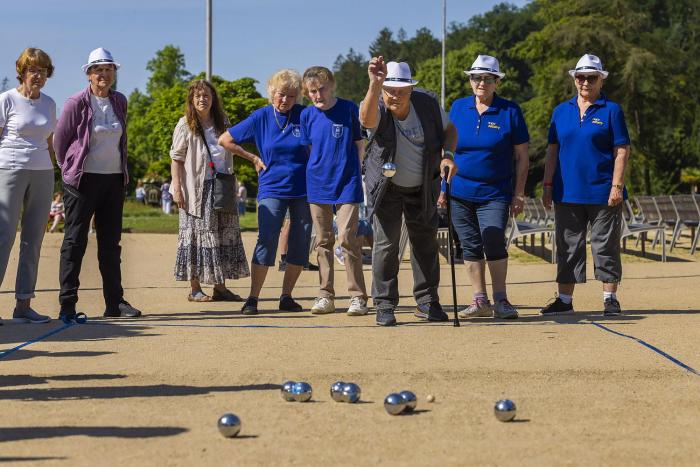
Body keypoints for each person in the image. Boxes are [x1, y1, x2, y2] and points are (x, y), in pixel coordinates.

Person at [359, 58, 457, 326]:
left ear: (412, 90)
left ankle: (427, 301)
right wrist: (374, 84)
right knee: (387, 245)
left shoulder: (428, 105)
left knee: (425, 243)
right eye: (390, 90)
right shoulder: (376, 102)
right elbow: (366, 121)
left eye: (401, 91)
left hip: (423, 184)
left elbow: (450, 130)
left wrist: (447, 155)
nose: (395, 96)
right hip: (387, 187)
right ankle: (384, 304)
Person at [54, 47, 142, 321]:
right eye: (98, 70)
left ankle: (114, 303)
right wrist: (68, 169)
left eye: (108, 69)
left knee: (110, 244)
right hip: (82, 181)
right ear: (89, 74)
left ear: (114, 73)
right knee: (75, 242)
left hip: (113, 179)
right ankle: (67, 304)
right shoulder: (76, 103)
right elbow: (60, 141)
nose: (104, 74)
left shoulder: (120, 101)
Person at [541, 54, 630, 316]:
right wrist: (547, 185)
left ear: (601, 80)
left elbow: (622, 150)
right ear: (574, 79)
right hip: (566, 192)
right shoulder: (561, 111)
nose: (585, 82)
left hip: (603, 191)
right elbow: (552, 152)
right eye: (580, 77)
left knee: (605, 245)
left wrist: (616, 186)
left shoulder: (612, 110)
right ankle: (565, 300)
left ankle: (609, 298)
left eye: (591, 77)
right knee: (568, 246)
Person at [219, 69, 311, 315]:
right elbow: (225, 139)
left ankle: (286, 296)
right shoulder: (260, 117)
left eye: (291, 96)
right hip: (272, 187)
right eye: (282, 94)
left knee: (301, 241)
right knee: (267, 239)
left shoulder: (304, 115)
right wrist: (252, 157)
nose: (285, 100)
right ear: (272, 93)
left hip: (303, 189)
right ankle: (253, 298)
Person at [447, 55, 529, 320]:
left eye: (487, 78)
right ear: (470, 81)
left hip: (495, 193)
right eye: (476, 77)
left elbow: (522, 157)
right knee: (469, 244)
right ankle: (479, 300)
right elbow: (446, 150)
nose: (481, 83)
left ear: (497, 82)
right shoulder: (458, 108)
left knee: (493, 239)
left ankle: (501, 299)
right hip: (459, 191)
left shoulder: (510, 111)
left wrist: (519, 193)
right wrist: (441, 188)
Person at [170, 79, 249, 302]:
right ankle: (195, 289)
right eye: (198, 96)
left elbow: (230, 149)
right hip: (196, 189)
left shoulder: (222, 122)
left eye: (206, 95)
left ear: (213, 99)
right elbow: (176, 159)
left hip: (222, 185)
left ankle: (220, 287)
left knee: (223, 235)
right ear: (191, 100)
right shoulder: (185, 124)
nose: (202, 99)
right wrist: (177, 189)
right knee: (196, 236)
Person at [300, 66, 369, 316]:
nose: (318, 95)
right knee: (323, 242)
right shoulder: (307, 115)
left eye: (322, 89)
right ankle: (325, 294)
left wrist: (354, 169)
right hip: (317, 184)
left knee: (348, 239)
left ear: (332, 86)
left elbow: (359, 143)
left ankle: (357, 296)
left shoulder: (349, 109)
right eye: (312, 92)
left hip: (347, 183)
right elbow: (308, 148)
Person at [0, 48, 57, 325]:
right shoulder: (6, 100)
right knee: (3, 237)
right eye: (33, 70)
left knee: (33, 240)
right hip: (9, 170)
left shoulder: (49, 103)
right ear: (22, 71)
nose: (39, 75)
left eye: (44, 71)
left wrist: (58, 168)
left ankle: (23, 304)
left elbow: (49, 142)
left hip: (43, 172)